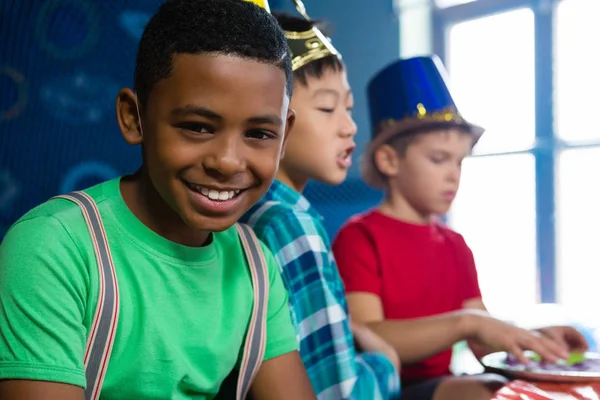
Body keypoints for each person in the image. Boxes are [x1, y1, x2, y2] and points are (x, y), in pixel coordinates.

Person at [0, 0, 317, 399]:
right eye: (198, 127)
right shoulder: (55, 247)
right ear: (134, 117)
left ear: (284, 137)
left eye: (258, 134)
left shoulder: (255, 266)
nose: (227, 162)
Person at [332, 55, 588, 400]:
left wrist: (538, 338)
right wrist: (467, 322)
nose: (454, 173)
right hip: (384, 390)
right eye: (438, 159)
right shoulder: (360, 237)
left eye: (459, 161)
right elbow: (368, 339)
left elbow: (485, 345)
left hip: (445, 385)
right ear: (389, 159)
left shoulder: (455, 245)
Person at [241, 4, 401, 399]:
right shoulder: (289, 224)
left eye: (347, 108)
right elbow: (339, 393)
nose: (350, 126)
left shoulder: (246, 213)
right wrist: (386, 363)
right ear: (276, 116)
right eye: (328, 108)